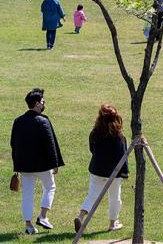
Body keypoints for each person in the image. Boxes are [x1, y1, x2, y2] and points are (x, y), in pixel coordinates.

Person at [11, 88, 64, 235]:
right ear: (36, 104)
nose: (44, 103)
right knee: (50, 187)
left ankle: (28, 225)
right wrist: (55, 164)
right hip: (43, 166)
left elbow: (13, 144)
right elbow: (50, 144)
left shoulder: (18, 121)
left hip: (25, 166)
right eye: (42, 101)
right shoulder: (43, 121)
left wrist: (17, 164)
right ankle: (43, 216)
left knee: (27, 194)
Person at [74, 104, 129, 233]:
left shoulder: (95, 132)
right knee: (115, 198)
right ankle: (112, 223)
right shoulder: (118, 135)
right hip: (114, 173)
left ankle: (80, 216)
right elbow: (123, 156)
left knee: (92, 195)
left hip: (96, 169)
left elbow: (91, 149)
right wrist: (125, 173)